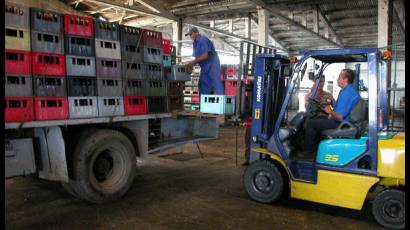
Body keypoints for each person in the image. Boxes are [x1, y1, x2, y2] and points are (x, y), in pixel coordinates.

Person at [303, 69, 361, 156]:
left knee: (311, 123)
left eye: (339, 77)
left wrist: (329, 111)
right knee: (318, 121)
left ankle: (308, 153)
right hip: (341, 121)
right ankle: (317, 148)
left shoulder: (346, 93)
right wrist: (330, 108)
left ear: (345, 80)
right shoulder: (349, 90)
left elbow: (340, 116)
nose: (337, 79)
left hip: (341, 123)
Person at [184, 27, 224, 95]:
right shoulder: (195, 43)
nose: (190, 36)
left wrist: (193, 62)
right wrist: (190, 64)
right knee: (202, 84)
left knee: (216, 82)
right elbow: (197, 57)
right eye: (189, 35)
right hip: (204, 67)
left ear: (196, 33)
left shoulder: (203, 40)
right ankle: (203, 104)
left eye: (191, 34)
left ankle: (222, 102)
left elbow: (206, 55)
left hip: (212, 65)